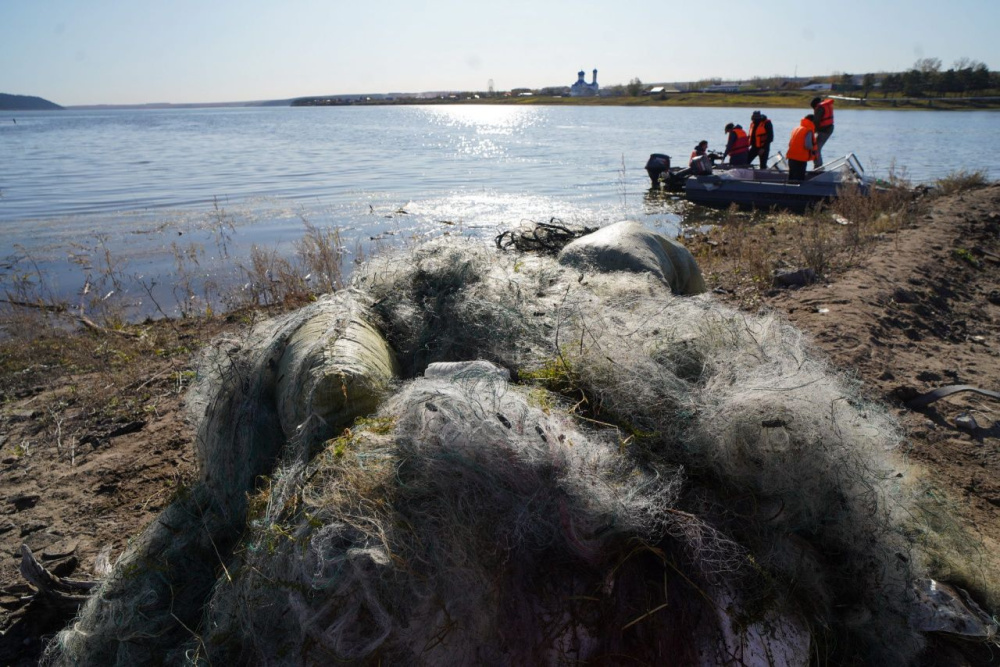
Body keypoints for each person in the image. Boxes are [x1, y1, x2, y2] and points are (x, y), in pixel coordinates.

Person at [786, 114, 817, 182]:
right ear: (812, 121)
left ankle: (789, 191)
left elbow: (790, 143)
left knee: (791, 177)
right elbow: (808, 145)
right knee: (799, 179)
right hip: (800, 158)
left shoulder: (796, 128)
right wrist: (814, 149)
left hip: (791, 157)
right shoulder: (808, 130)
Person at [810, 96, 834, 167]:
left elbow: (816, 121)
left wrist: (812, 132)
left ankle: (818, 167)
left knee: (816, 148)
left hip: (824, 130)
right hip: (828, 128)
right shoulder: (825, 105)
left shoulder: (820, 108)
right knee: (816, 148)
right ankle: (818, 166)